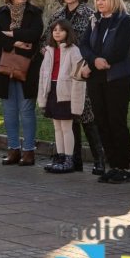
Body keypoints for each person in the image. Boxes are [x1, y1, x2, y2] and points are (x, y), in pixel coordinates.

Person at [41, 0, 104, 174]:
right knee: (68, 116)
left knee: (86, 116)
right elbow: (46, 38)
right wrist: (45, 49)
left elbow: (96, 42)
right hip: (59, 74)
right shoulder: (57, 14)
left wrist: (88, 64)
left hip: (82, 70)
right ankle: (72, 159)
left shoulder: (89, 14)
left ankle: (99, 161)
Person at [80, 0, 130, 185]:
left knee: (116, 122)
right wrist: (94, 61)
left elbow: (120, 51)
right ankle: (113, 166)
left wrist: (94, 63)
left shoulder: (125, 21)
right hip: (97, 80)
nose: (99, 2)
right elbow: (84, 45)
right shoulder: (94, 20)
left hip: (118, 78)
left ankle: (124, 167)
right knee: (102, 122)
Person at [0, 0, 43, 166]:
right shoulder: (1, 12)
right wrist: (16, 42)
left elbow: (35, 34)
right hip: (5, 68)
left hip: (28, 68)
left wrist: (11, 34)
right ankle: (13, 149)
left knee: (27, 110)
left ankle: (29, 151)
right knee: (9, 111)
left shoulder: (35, 13)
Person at [38, 20, 86, 173]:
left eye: (61, 30)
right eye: (54, 30)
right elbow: (43, 74)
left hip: (66, 93)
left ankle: (69, 159)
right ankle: (59, 157)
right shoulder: (50, 50)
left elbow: (79, 77)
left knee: (66, 127)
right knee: (57, 127)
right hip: (52, 90)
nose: (57, 32)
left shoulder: (74, 50)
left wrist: (76, 99)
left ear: (68, 32)